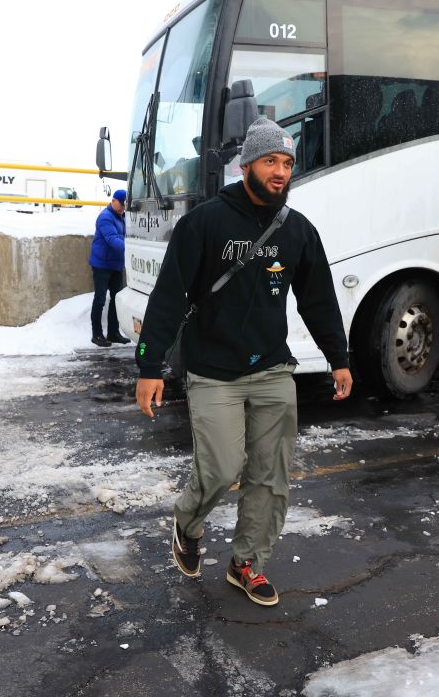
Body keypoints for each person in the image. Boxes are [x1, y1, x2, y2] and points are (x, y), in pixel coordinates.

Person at [134, 117, 354, 606]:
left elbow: (319, 299)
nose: (281, 172)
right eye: (271, 162)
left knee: (271, 474)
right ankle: (187, 523)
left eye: (288, 163)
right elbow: (169, 296)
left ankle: (247, 564)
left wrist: (339, 359)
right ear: (247, 165)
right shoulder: (205, 223)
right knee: (220, 467)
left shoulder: (297, 230)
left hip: (273, 367)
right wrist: (150, 368)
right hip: (213, 369)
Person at [88, 188, 131, 347]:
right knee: (100, 299)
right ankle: (97, 334)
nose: (123, 208)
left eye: (125, 205)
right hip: (102, 265)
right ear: (113, 201)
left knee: (116, 299)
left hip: (116, 265)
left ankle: (113, 333)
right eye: (121, 204)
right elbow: (112, 239)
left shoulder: (122, 217)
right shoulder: (105, 217)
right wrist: (131, 248)